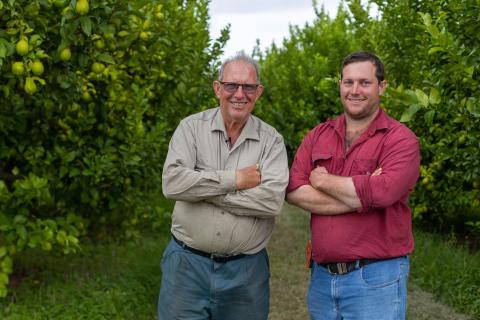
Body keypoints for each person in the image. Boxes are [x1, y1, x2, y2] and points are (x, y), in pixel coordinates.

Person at [286, 51, 420, 320]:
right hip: (322, 279)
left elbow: (384, 193)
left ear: (382, 87)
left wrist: (322, 181)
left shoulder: (400, 140)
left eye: (364, 82)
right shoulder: (318, 135)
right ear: (340, 85)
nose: (355, 90)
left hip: (376, 278)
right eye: (348, 82)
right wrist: (363, 192)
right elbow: (293, 191)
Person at [158, 52, 289, 320]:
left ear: (259, 91)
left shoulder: (272, 141)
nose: (239, 94)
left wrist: (202, 190)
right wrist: (235, 180)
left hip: (246, 272)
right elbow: (172, 184)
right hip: (186, 266)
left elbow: (272, 202)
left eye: (248, 87)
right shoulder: (190, 129)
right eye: (231, 85)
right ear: (218, 88)